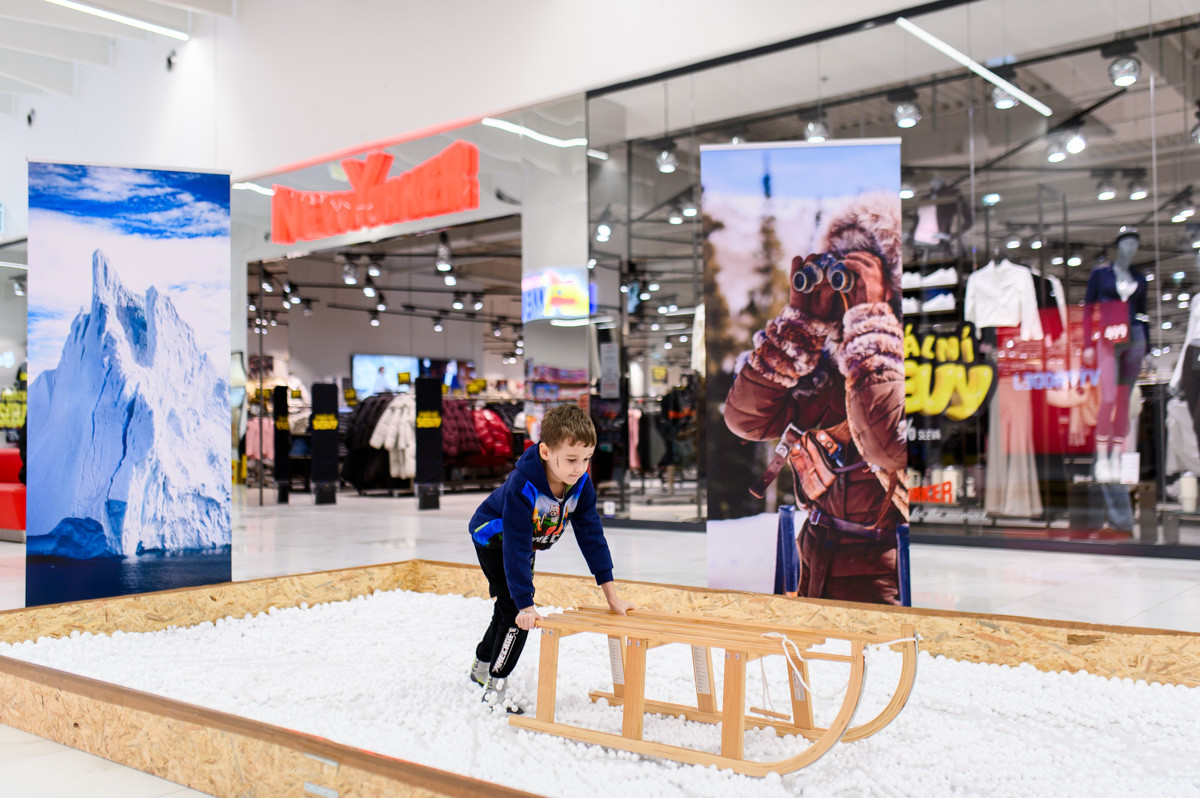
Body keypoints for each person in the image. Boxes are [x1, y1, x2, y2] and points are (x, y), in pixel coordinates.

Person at [724, 192, 908, 604]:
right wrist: (799, 330)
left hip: (884, 571)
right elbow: (745, 420)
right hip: (816, 558)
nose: (848, 290)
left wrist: (872, 325)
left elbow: (885, 446)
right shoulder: (824, 367)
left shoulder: (906, 363)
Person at [467, 402, 634, 712]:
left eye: (586, 459)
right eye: (571, 459)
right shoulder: (522, 487)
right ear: (545, 452)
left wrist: (613, 597)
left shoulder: (580, 484)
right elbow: (515, 548)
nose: (579, 468)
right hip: (493, 537)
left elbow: (593, 538)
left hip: (525, 544)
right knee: (515, 611)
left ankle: (481, 665)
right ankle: (495, 690)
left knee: (507, 606)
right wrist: (526, 604)